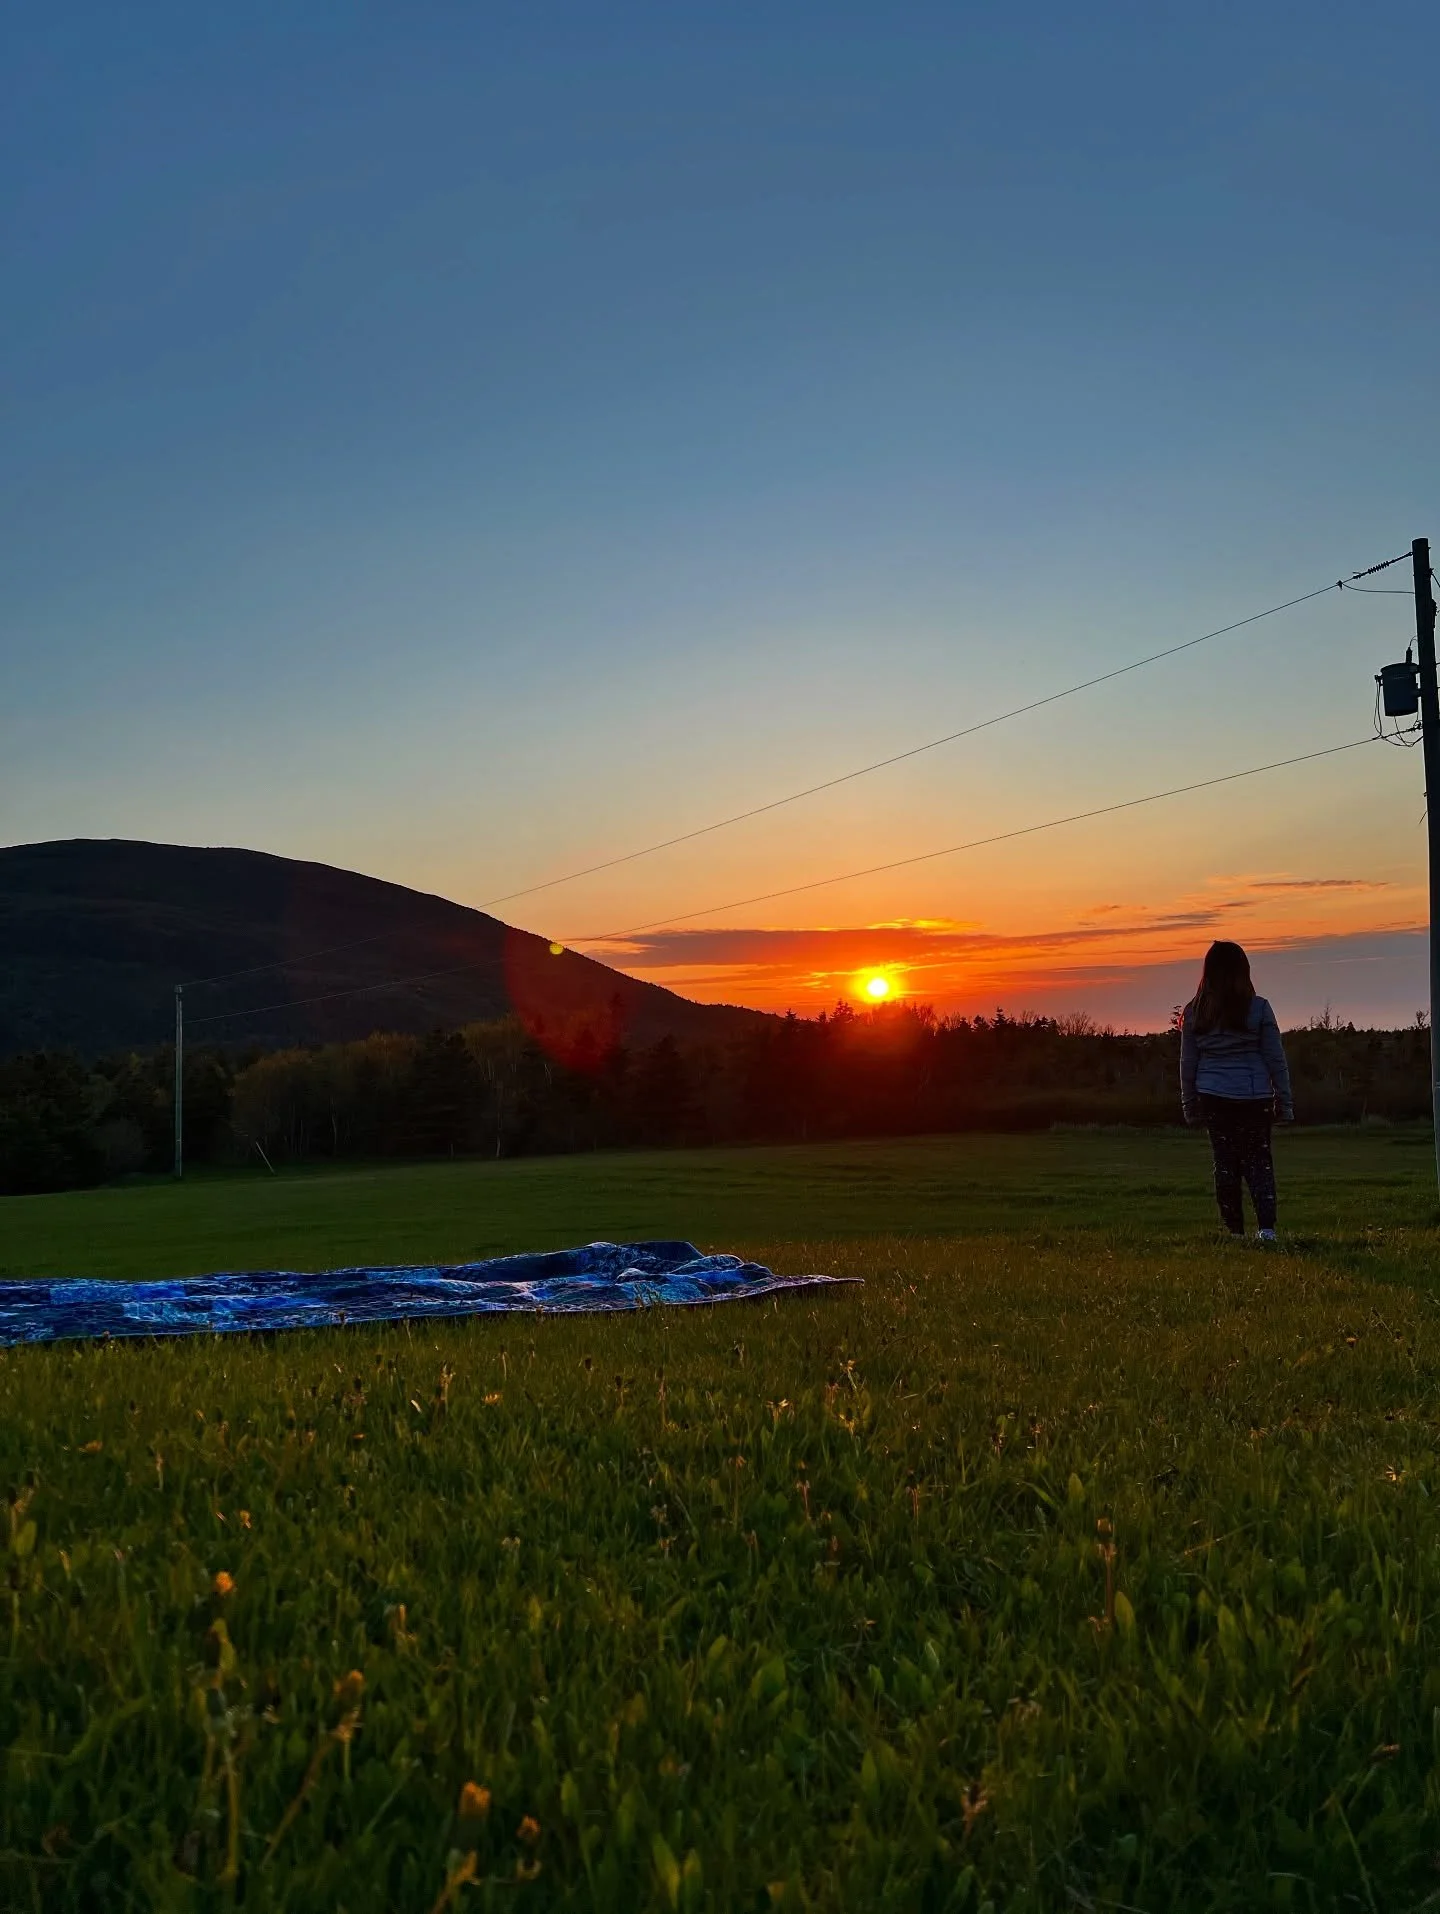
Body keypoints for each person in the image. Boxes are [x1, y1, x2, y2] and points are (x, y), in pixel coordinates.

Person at [1180, 941, 1293, 1241]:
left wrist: (1189, 1104)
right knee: (1259, 1162)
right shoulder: (1259, 1009)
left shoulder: (1195, 1012)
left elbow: (1188, 1063)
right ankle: (1266, 1230)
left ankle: (1234, 1231)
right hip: (1254, 1097)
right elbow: (1275, 1059)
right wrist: (1285, 1101)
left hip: (1213, 1096)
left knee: (1225, 1163)